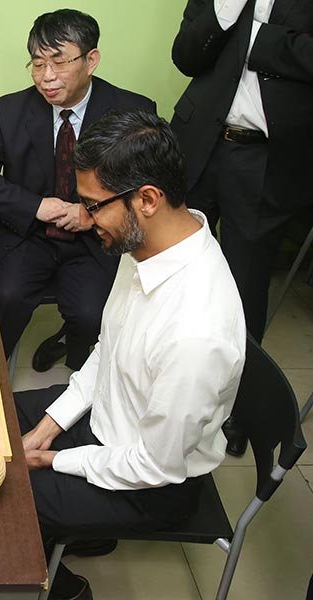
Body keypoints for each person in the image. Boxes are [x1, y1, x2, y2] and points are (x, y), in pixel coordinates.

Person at [17, 109, 246, 600]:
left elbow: (155, 465)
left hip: (152, 484)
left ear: (146, 199)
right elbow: (108, 348)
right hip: (110, 414)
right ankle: (78, 529)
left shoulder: (196, 334)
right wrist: (49, 424)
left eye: (93, 205)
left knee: (5, 493)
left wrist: (53, 460)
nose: (85, 217)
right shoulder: (149, 246)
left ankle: (66, 591)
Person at [0, 9, 155, 374]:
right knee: (6, 296)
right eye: (37, 64)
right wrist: (36, 206)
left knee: (92, 314)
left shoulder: (131, 112)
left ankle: (78, 375)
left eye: (59, 62)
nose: (47, 77)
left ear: (90, 60)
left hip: (96, 239)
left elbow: (147, 189)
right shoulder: (10, 110)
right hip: (28, 236)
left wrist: (91, 213)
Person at [169, 0, 313, 456]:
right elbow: (186, 55)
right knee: (168, 267)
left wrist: (259, 38)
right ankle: (162, 373)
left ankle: (233, 405)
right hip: (198, 144)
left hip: (265, 157)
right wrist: (226, 11)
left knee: (243, 286)